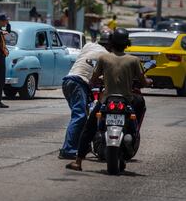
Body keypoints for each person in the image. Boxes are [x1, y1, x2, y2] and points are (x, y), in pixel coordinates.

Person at [65, 28, 152, 171]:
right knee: (138, 107)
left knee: (89, 128)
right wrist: (148, 82)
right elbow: (143, 81)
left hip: (106, 100)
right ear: (127, 43)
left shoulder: (103, 58)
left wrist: (99, 81)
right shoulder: (134, 60)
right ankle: (133, 132)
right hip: (126, 100)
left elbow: (93, 80)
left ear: (111, 43)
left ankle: (78, 162)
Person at [58, 34, 109, 159]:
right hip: (79, 83)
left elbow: (87, 64)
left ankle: (84, 147)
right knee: (79, 116)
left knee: (84, 116)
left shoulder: (88, 45)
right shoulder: (107, 56)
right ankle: (68, 150)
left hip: (68, 81)